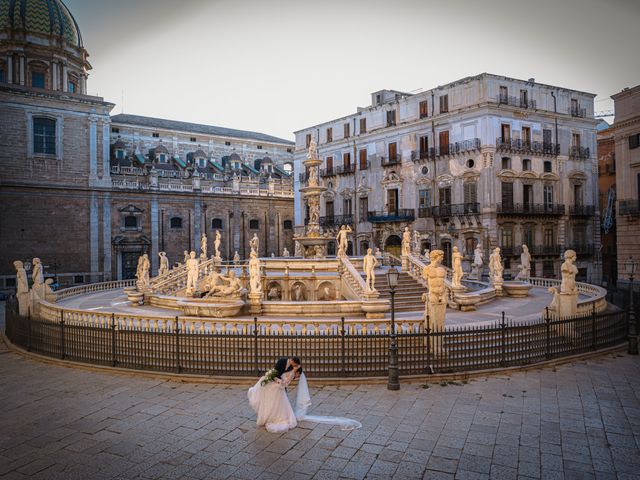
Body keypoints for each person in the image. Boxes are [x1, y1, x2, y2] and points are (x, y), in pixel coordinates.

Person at [248, 357, 361, 434]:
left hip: (279, 386)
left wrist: (282, 383)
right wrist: (279, 382)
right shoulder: (284, 364)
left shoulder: (292, 371)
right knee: (273, 402)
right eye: (296, 372)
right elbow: (279, 376)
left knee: (276, 403)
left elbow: (285, 382)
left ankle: (270, 417)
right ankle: (270, 416)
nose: (296, 376)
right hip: (275, 384)